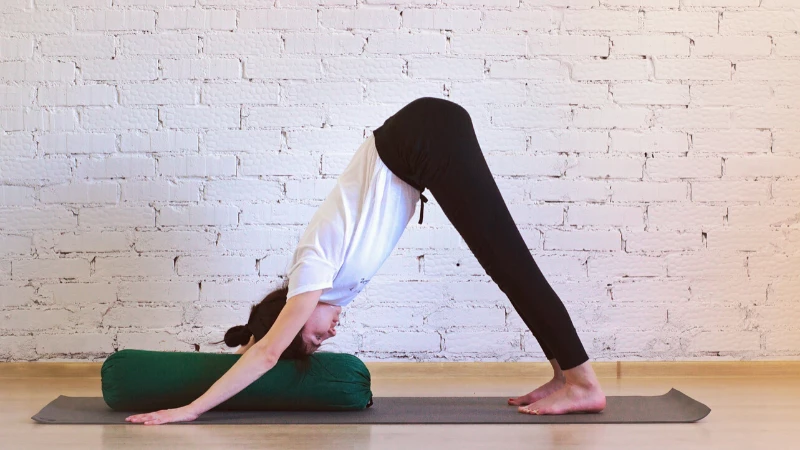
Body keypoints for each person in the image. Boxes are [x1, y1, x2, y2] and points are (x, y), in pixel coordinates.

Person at [125, 97, 606, 425]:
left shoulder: (311, 271)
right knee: (508, 268)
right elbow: (263, 343)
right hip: (422, 141)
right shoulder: (331, 287)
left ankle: (583, 383)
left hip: (425, 136)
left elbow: (269, 352)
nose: (328, 335)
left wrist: (191, 410)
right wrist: (254, 335)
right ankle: (565, 376)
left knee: (511, 265)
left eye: (311, 337)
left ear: (292, 314)